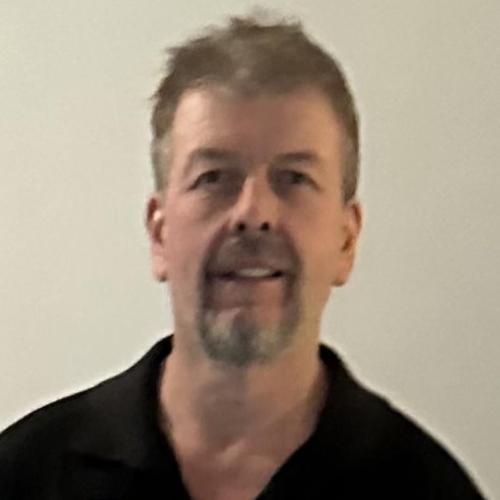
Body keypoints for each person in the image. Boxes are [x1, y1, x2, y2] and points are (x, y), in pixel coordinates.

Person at [0, 14, 485, 500]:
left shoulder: (429, 489)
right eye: (214, 178)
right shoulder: (23, 475)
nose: (253, 213)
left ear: (346, 241)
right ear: (159, 233)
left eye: (294, 178)